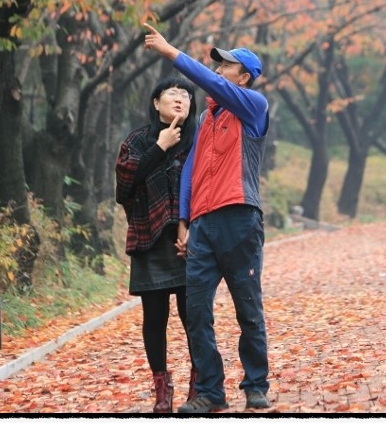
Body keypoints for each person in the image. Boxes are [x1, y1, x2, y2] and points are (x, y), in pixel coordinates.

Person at [143, 23, 271, 413]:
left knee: (247, 308)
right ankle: (211, 391)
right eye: (218, 65)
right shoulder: (207, 120)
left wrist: (170, 52)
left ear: (243, 78)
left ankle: (255, 385)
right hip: (202, 226)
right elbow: (191, 171)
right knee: (197, 311)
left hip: (240, 219)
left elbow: (209, 82)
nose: (218, 71)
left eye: (226, 66)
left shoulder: (253, 106)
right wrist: (185, 221)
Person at [115, 75, 199, 413]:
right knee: (154, 318)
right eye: (172, 93)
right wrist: (159, 147)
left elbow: (209, 187)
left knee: (194, 317)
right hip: (149, 237)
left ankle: (200, 383)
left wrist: (194, 229)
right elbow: (123, 189)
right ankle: (162, 388)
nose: (180, 99)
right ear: (156, 102)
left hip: (191, 242)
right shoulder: (137, 141)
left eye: (186, 95)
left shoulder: (199, 139)